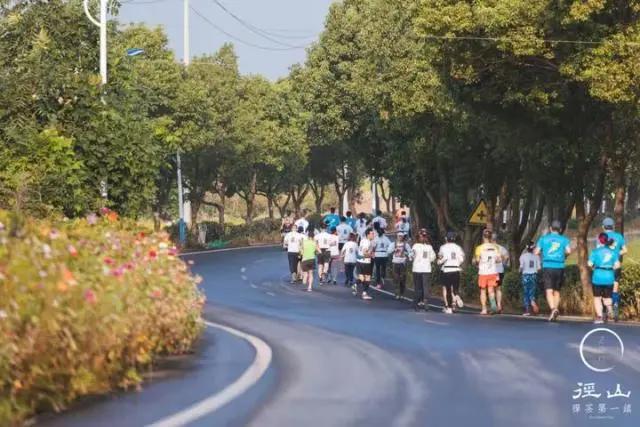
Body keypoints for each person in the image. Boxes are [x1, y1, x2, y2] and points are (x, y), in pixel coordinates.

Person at [535, 220, 572, 322]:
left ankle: (553, 309)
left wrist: (542, 256)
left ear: (550, 228)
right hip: (560, 267)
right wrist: (563, 256)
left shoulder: (544, 239)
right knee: (556, 290)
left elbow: (537, 251)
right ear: (560, 230)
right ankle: (555, 311)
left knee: (549, 290)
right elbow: (569, 251)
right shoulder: (564, 239)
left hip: (548, 266)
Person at [589, 233, 621, 324]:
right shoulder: (612, 252)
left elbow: (590, 263)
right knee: (607, 297)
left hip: (597, 277)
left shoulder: (595, 251)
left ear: (599, 240)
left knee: (597, 298)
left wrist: (594, 268)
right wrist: (610, 268)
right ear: (607, 240)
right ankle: (610, 310)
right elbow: (618, 265)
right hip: (609, 276)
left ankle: (599, 317)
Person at [602, 217, 627, 321]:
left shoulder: (601, 237)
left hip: (604, 266)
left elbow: (599, 251)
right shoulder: (619, 236)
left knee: (604, 289)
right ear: (613, 226)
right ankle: (615, 305)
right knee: (615, 288)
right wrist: (616, 253)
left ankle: (605, 312)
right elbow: (625, 250)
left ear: (603, 227)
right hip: (616, 265)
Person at [474, 229, 501, 315]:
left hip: (483, 272)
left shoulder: (479, 248)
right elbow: (499, 260)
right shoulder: (495, 247)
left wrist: (475, 261)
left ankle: (484, 309)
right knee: (491, 289)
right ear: (491, 237)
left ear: (483, 237)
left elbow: (477, 260)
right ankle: (493, 305)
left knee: (482, 290)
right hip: (493, 271)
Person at [438, 232, 465, 314]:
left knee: (448, 289)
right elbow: (462, 258)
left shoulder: (443, 247)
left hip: (447, 270)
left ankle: (449, 308)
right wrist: (457, 263)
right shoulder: (458, 247)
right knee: (455, 288)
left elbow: (441, 258)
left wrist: (439, 261)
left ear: (447, 238)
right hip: (456, 269)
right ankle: (457, 296)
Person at [411, 229, 436, 311]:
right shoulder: (429, 247)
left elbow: (411, 256)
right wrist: (427, 259)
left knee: (418, 287)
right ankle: (425, 302)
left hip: (417, 269)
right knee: (425, 287)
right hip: (426, 269)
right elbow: (433, 258)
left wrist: (412, 257)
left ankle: (416, 304)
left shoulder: (415, 246)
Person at [519, 241, 541, 316]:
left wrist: (519, 271)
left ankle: (527, 310)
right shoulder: (537, 256)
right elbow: (539, 268)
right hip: (533, 275)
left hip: (525, 275)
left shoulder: (523, 256)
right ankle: (533, 302)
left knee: (526, 292)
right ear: (533, 248)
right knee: (532, 291)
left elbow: (521, 267)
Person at [355, 228, 376, 300]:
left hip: (359, 261)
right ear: (368, 235)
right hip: (365, 262)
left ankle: (355, 284)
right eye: (372, 234)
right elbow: (364, 252)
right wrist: (372, 255)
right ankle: (364, 293)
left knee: (362, 278)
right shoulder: (368, 242)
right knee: (367, 278)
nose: (373, 235)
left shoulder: (363, 240)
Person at [390, 233, 412, 300]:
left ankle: (402, 293)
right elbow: (388, 251)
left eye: (401, 236)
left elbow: (410, 252)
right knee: (396, 279)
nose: (400, 237)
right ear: (397, 237)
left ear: (403, 237)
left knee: (402, 279)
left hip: (402, 263)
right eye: (399, 236)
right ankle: (397, 293)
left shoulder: (406, 245)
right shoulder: (393, 244)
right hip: (395, 263)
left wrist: (406, 253)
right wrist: (394, 250)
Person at [493, 233, 510, 314]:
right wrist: (504, 264)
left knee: (491, 289)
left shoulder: (488, 247)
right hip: (500, 270)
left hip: (491, 271)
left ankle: (493, 306)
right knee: (498, 288)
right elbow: (506, 257)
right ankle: (499, 305)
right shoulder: (501, 248)